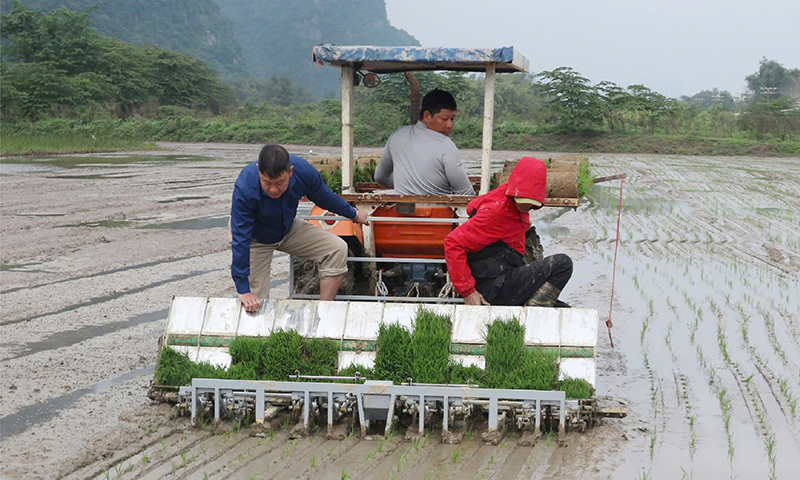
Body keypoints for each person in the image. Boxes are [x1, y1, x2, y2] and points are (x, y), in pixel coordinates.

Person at [230, 144, 369, 312]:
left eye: (280, 183)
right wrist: (243, 290)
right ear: (259, 171)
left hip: (287, 228)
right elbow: (240, 238)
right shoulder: (245, 185)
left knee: (337, 249)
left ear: (290, 171)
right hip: (255, 238)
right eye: (267, 183)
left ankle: (323, 312)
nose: (273, 189)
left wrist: (354, 214)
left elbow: (324, 197)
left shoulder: (304, 171)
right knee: (254, 302)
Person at [443, 157, 573, 307]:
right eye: (522, 202)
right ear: (514, 194)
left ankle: (532, 308)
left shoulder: (504, 197)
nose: (526, 207)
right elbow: (453, 242)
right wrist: (468, 292)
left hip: (504, 277)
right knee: (563, 264)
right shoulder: (496, 212)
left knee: (564, 309)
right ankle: (532, 312)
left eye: (531, 204)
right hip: (493, 287)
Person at [373, 89, 475, 196]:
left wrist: (406, 185)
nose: (450, 125)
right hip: (438, 206)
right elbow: (467, 193)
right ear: (426, 116)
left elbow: (380, 177)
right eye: (444, 119)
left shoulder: (397, 136)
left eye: (452, 119)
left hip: (401, 205)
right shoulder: (446, 145)